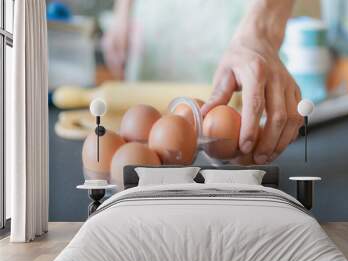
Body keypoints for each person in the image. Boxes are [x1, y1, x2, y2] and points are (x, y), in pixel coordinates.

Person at [102, 0, 303, 164]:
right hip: (156, 23)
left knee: (243, 117)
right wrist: (123, 10)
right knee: (147, 133)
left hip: (237, 26)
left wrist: (260, 33)